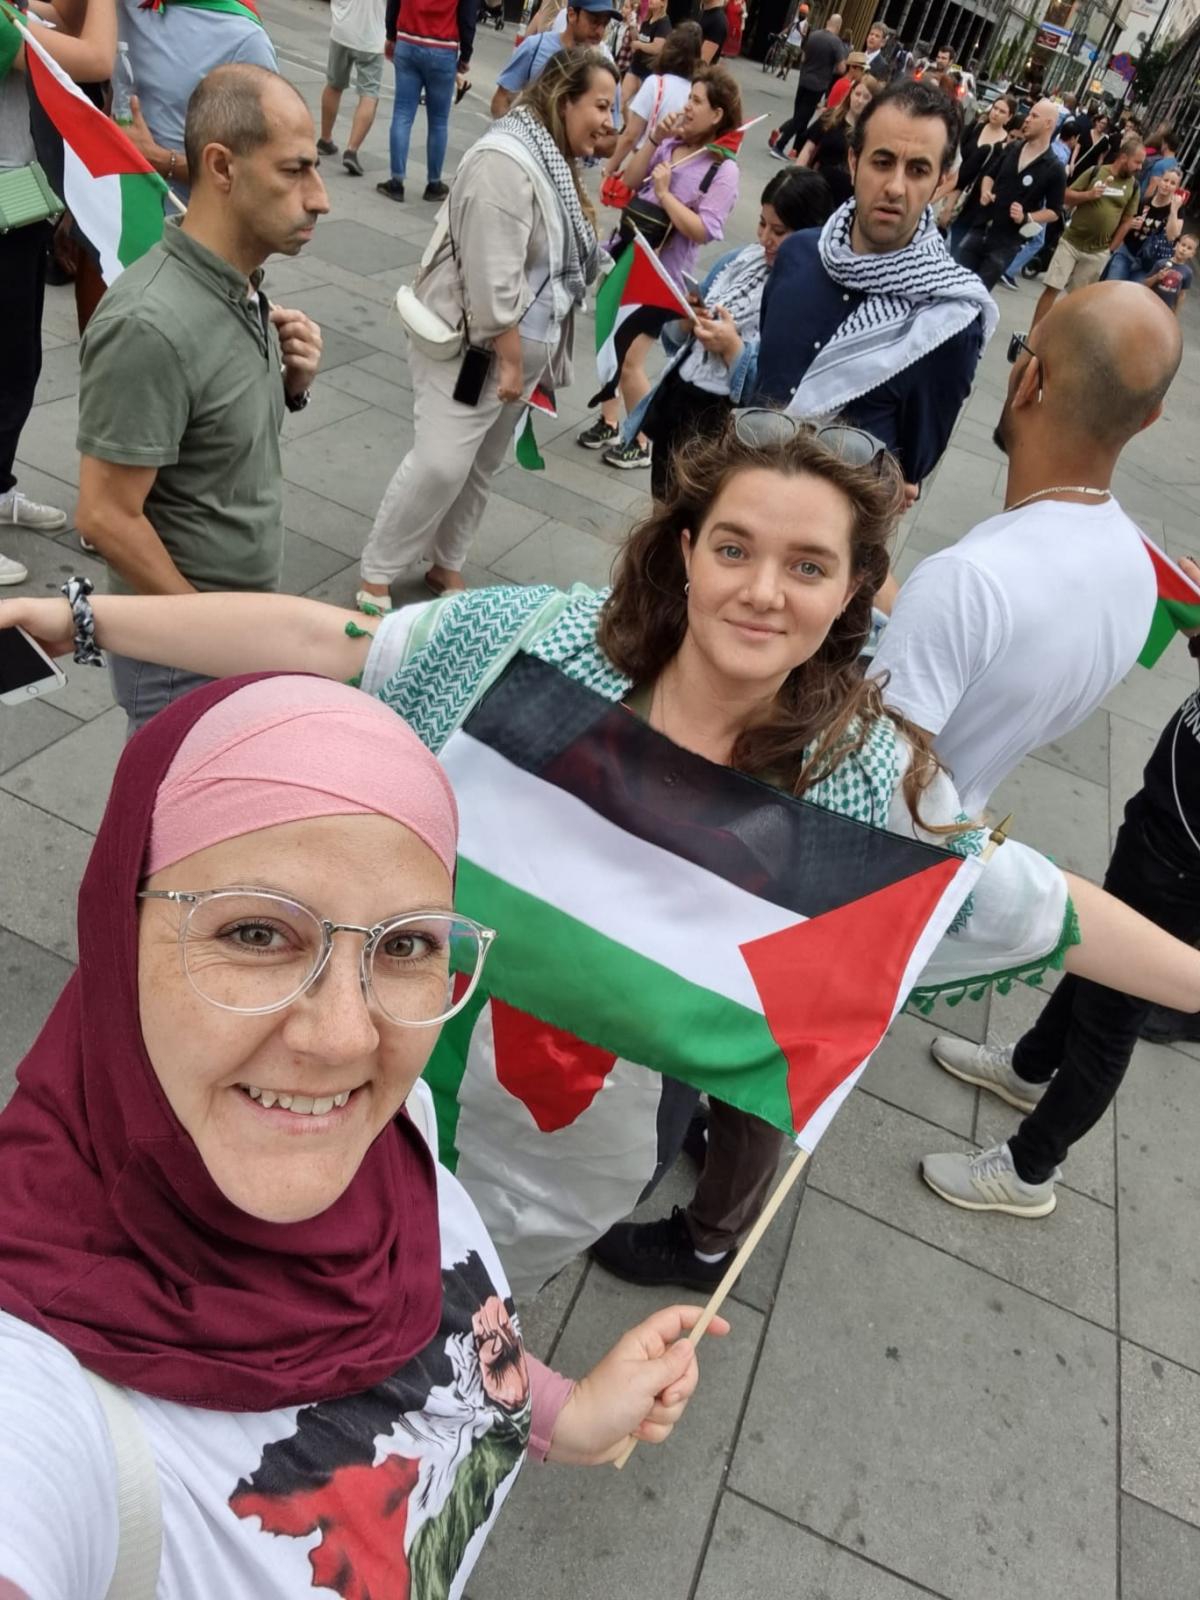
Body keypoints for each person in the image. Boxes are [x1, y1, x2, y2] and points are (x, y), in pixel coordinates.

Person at [13, 423, 1200, 1301]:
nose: (762, 592)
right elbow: (335, 640)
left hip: (556, 1177)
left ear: (851, 591)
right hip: (361, 1091)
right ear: (686, 553)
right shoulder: (535, 649)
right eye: (734, 548)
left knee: (436, 1333)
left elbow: (1040, 905)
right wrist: (75, 617)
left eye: (807, 565)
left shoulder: (859, 786)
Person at [0, 674, 727, 1594]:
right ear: (118, 927)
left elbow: (445, 1325)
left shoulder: (395, 1127)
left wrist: (566, 1416)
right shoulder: (38, 1412)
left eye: (406, 945)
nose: (347, 1037)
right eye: (257, 932)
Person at [74, 64, 326, 733]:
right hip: (184, 653)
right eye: (295, 171)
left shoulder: (239, 283)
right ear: (221, 167)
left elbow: (212, 441)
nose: (320, 198)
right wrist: (213, 637)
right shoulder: (149, 324)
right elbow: (104, 516)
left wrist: (289, 388)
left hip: (229, 628)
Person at [871, 282, 1181, 818]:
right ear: (1150, 417)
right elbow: (985, 659)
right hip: (958, 824)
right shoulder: (1138, 570)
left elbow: (867, 781)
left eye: (1022, 347)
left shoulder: (965, 581)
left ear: (1029, 379)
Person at [923, 641, 1200, 1217]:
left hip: (1183, 866)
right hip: (1161, 824)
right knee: (1095, 957)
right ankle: (1028, 1067)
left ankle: (1030, 1170)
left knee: (1111, 1019)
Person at [359, 49, 614, 610]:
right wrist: (514, 360)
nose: (608, 119)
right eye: (600, 105)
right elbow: (492, 275)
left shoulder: (550, 154)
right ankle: (377, 572)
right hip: (475, 346)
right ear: (564, 100)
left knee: (480, 465)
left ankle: (445, 561)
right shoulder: (508, 160)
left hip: (514, 350)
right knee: (442, 462)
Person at [755, 78, 996, 499]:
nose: (895, 187)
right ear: (853, 161)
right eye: (882, 162)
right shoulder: (796, 254)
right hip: (752, 488)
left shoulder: (948, 320)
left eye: (918, 170)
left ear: (942, 181)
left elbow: (913, 467)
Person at [0, 0, 118, 580]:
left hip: (19, 206)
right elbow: (95, 57)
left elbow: (64, 20)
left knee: (18, 364)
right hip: (4, 207)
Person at [629, 168, 835, 499]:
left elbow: (781, 391)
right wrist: (688, 318)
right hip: (679, 404)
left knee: (702, 513)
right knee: (663, 504)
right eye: (762, 223)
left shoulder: (809, 295)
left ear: (810, 233)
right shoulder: (738, 260)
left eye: (779, 231)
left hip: (725, 424)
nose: (765, 238)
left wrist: (732, 348)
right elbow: (675, 338)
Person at [576, 66, 743, 470]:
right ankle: (610, 420)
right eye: (689, 98)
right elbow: (632, 180)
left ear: (717, 114)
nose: (687, 107)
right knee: (610, 341)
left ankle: (643, 439)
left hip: (661, 274)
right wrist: (654, 139)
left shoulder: (722, 169)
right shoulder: (672, 144)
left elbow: (704, 230)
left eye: (697, 101)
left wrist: (667, 195)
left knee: (631, 359)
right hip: (627, 251)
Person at [116, 0, 279, 200]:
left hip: (175, 211)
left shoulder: (246, 39)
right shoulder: (124, 5)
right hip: (104, 198)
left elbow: (262, 173)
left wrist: (165, 161)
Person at [1030, 132, 1145, 329]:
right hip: (1071, 242)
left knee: (1078, 300)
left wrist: (1110, 249)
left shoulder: (1133, 186)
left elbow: (1127, 221)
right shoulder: (1096, 172)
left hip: (1097, 252)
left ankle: (1060, 337)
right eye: (1137, 162)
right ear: (1124, 157)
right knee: (1052, 288)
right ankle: (1035, 333)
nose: (1140, 167)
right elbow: (1065, 196)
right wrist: (1089, 195)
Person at [952, 98, 1065, 291]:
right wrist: (986, 192)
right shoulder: (1013, 148)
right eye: (1029, 114)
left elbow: (1054, 211)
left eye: (1034, 116)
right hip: (980, 228)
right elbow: (989, 175)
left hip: (1005, 242)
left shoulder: (1054, 167)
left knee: (976, 295)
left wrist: (1027, 217)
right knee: (953, 284)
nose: (1027, 119)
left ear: (1048, 124)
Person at [374, 0, 475, 202]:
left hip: (408, 41)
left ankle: (396, 182)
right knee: (439, 121)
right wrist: (465, 55)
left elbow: (394, 3)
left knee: (402, 114)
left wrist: (391, 35)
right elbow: (467, 17)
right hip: (443, 48)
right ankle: (434, 184)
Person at [600, 20, 700, 189]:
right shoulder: (695, 94)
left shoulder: (656, 84)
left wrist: (609, 169)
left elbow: (630, 136)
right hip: (674, 174)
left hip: (644, 166)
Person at [490, 0, 617, 117]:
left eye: (605, 24)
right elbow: (502, 99)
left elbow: (610, 122)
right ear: (572, 15)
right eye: (594, 22)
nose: (600, 32)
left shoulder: (604, 66)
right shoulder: (535, 47)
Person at [317, 0, 387, 177]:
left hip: (342, 28)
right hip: (373, 35)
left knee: (334, 85)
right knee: (369, 94)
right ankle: (352, 150)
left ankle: (325, 139)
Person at [768, 9, 847, 159]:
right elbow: (842, 68)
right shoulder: (836, 43)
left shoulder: (814, 35)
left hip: (803, 80)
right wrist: (829, 67)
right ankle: (780, 145)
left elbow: (803, 57)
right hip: (818, 85)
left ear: (828, 22)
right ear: (838, 27)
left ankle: (796, 149)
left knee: (800, 115)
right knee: (801, 118)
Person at [939, 93, 1011, 255]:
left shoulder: (1004, 145)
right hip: (948, 185)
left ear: (1009, 117)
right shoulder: (976, 127)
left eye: (1002, 111)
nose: (996, 113)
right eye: (995, 108)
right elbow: (955, 153)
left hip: (970, 198)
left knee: (953, 244)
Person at [794, 71, 879, 204]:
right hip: (817, 188)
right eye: (857, 94)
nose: (860, 100)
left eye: (866, 97)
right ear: (850, 94)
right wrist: (795, 178)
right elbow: (808, 149)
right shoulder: (830, 118)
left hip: (847, 199)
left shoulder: (872, 132)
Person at [1103, 163, 1185, 281]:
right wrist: (1131, 224)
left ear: (1177, 188)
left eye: (1172, 183)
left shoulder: (1177, 210)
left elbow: (1172, 236)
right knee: (1112, 284)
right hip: (1127, 252)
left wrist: (1173, 211)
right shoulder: (1144, 202)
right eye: (1165, 180)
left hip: (1148, 263)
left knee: (1134, 292)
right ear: (1159, 180)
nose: (1167, 185)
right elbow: (1125, 222)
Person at [618, 0, 670, 108]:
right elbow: (638, 39)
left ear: (663, 3)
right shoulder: (647, 19)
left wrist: (639, 45)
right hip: (635, 67)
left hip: (649, 73)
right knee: (621, 99)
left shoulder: (664, 23)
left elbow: (657, 48)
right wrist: (632, 26)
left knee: (640, 107)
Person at [1143, 232, 1197, 314]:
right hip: (1150, 304)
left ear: (1192, 254)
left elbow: (1182, 295)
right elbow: (1144, 284)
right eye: (1183, 245)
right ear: (1176, 245)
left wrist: (1175, 313)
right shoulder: (1161, 263)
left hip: (1166, 310)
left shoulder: (1188, 272)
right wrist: (1157, 277)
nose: (1184, 249)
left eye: (1189, 248)